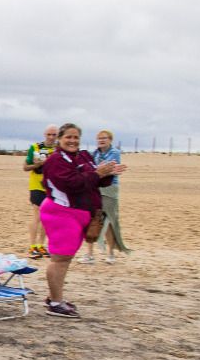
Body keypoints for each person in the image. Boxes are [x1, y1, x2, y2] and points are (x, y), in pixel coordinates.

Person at [40, 123, 124, 319]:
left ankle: (55, 296)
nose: (72, 141)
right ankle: (55, 303)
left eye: (76, 137)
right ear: (60, 139)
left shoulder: (83, 155)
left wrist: (108, 173)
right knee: (60, 258)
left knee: (65, 258)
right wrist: (97, 174)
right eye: (68, 137)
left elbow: (95, 181)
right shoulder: (55, 161)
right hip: (61, 213)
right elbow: (72, 184)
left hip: (77, 213)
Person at [87, 129, 130, 265]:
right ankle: (89, 254)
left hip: (110, 188)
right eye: (99, 138)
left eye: (104, 138)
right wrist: (98, 170)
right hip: (95, 187)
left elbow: (110, 168)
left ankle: (111, 254)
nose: (101, 140)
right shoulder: (94, 153)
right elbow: (93, 169)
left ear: (110, 140)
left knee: (109, 221)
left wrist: (99, 170)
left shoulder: (114, 152)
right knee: (92, 220)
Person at [23, 124, 57, 257]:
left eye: (54, 135)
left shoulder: (59, 149)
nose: (51, 137)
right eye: (49, 134)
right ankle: (32, 246)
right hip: (36, 185)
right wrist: (36, 165)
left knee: (47, 217)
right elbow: (25, 167)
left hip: (52, 186)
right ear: (44, 135)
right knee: (37, 215)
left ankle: (41, 246)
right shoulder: (35, 147)